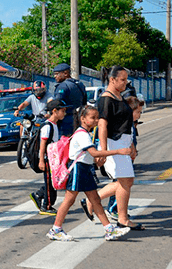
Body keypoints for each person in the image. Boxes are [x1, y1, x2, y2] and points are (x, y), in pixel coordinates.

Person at [46, 105, 131, 242]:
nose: (96, 120)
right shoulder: (81, 134)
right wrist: (118, 151)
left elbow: (90, 155)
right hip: (78, 170)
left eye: (97, 117)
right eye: (93, 118)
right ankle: (55, 229)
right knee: (69, 200)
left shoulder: (85, 133)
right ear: (83, 119)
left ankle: (109, 229)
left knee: (95, 200)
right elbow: (94, 153)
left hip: (84, 169)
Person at [84, 66, 140, 231]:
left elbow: (125, 124)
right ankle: (122, 219)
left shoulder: (119, 96)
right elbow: (102, 125)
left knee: (127, 181)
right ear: (112, 79)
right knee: (125, 181)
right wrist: (104, 151)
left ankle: (94, 200)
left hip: (123, 142)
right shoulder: (106, 99)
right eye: (122, 79)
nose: (125, 83)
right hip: (113, 144)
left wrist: (131, 145)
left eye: (126, 79)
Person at [28, 99, 65, 215]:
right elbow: (42, 144)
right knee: (50, 184)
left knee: (52, 183)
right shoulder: (47, 126)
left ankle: (38, 195)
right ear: (55, 111)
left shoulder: (55, 125)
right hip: (47, 159)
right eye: (63, 111)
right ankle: (46, 206)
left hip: (53, 159)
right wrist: (41, 161)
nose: (65, 113)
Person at [49, 63, 87, 136]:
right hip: (78, 118)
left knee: (63, 142)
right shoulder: (80, 84)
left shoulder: (62, 86)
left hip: (65, 120)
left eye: (57, 74)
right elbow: (84, 102)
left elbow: (57, 103)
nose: (55, 76)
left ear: (65, 73)